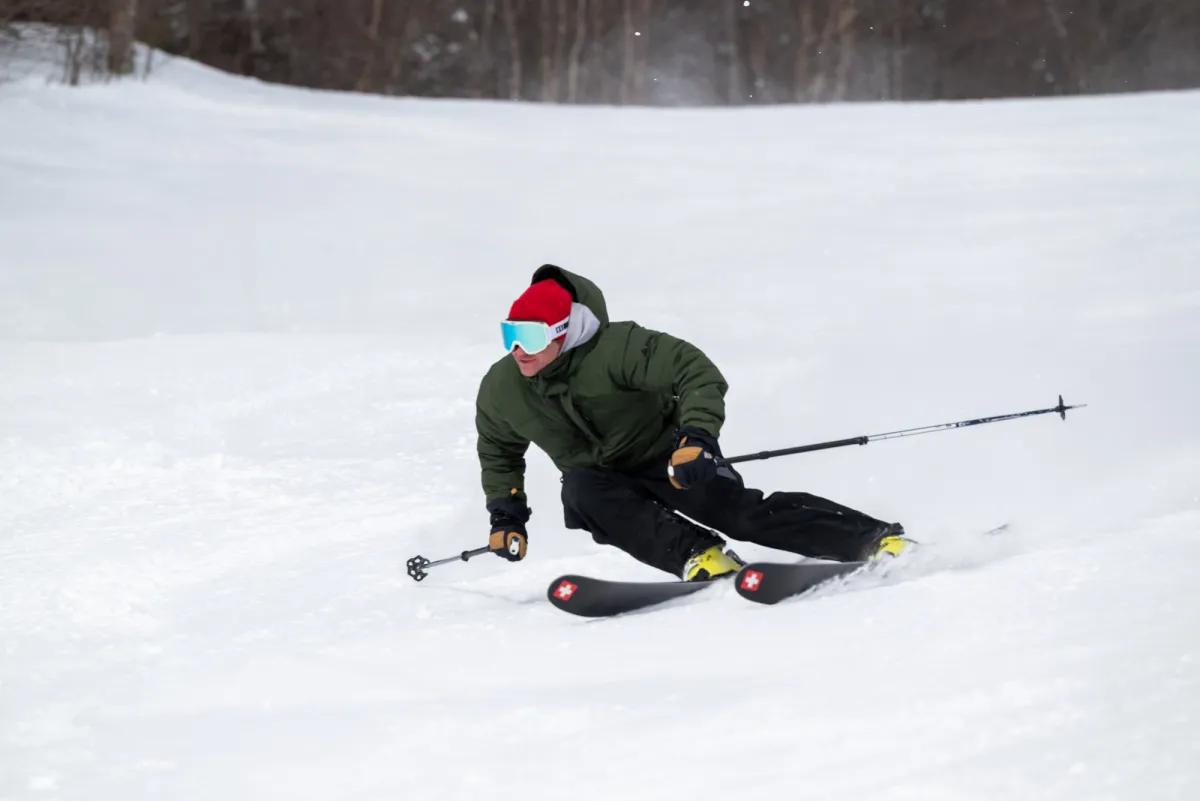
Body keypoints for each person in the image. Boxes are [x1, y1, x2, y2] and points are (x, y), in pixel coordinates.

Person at [476, 265, 908, 581]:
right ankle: (700, 557)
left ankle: (872, 539)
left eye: (530, 337)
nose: (518, 350)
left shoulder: (618, 349)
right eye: (510, 334)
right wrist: (506, 516)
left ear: (564, 331)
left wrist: (696, 438)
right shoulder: (503, 387)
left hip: (670, 457)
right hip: (601, 481)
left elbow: (695, 372)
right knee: (580, 491)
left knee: (740, 516)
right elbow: (499, 448)